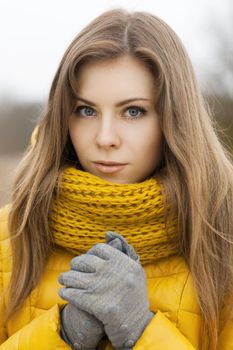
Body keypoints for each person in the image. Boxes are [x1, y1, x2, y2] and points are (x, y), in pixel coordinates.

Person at [0, 7, 233, 350]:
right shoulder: (12, 232)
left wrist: (141, 331)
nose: (105, 137)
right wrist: (63, 335)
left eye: (133, 111)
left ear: (174, 118)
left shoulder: (223, 236)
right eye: (86, 110)